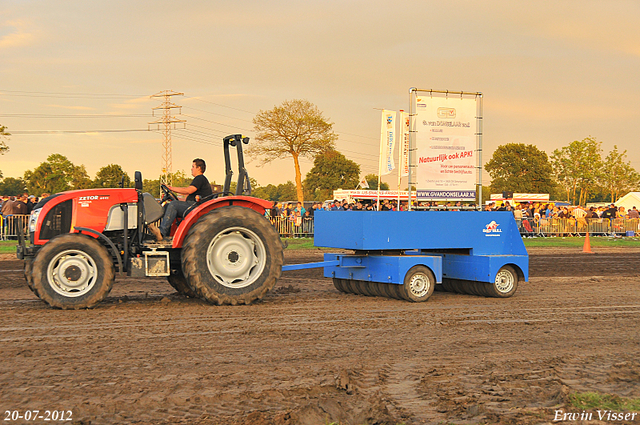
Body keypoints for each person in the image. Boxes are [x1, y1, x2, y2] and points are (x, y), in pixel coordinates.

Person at [150, 158, 212, 241]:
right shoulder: (200, 180)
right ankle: (163, 236)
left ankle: (161, 231)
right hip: (194, 205)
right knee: (167, 205)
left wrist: (171, 188)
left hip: (197, 208)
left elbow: (188, 190)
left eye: (193, 166)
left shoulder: (200, 178)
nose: (191, 168)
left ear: (199, 168)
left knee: (174, 205)